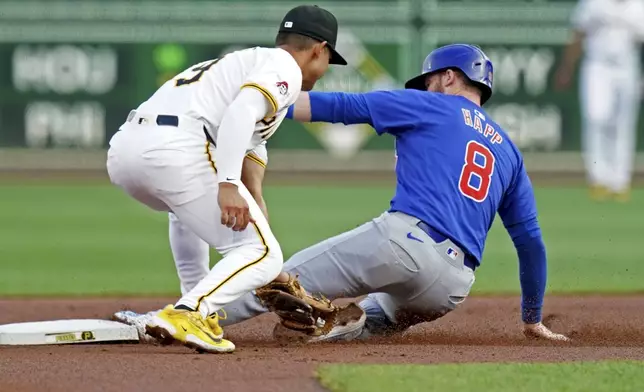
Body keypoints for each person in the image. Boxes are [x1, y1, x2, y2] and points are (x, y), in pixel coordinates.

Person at [115, 44, 569, 344]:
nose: (425, 85)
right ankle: (337, 324)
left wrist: (254, 101)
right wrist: (531, 318)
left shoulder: (430, 103)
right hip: (450, 288)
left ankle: (175, 318)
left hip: (403, 245)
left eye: (429, 78)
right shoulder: (508, 150)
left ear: (449, 77)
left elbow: (338, 107)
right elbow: (531, 244)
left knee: (274, 276)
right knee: (364, 320)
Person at [106, 4, 346, 354]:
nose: (324, 70)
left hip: (127, 150)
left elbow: (249, 139)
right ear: (319, 49)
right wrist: (228, 183)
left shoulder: (241, 63)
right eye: (328, 60)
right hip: (178, 147)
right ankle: (190, 312)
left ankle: (193, 306)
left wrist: (255, 197)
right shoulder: (285, 68)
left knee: (185, 214)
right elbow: (241, 113)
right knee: (263, 254)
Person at [554, 0, 644, 202]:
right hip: (597, 66)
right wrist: (567, 67)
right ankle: (598, 178)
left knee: (623, 125)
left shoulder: (638, 6)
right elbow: (578, 33)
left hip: (628, 67)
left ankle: (620, 181)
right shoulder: (594, 3)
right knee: (595, 118)